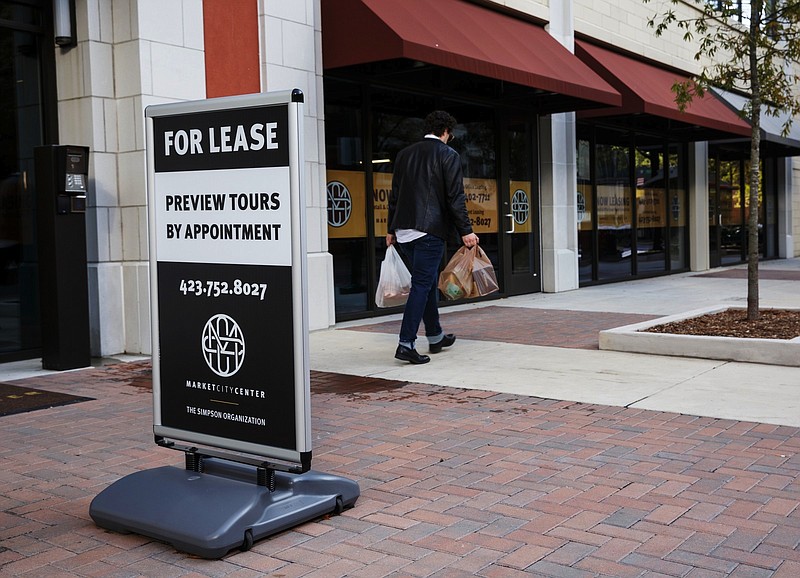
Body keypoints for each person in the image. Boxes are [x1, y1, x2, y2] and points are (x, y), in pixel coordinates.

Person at [386, 111, 479, 364]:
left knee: (424, 284)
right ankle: (406, 344)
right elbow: (455, 197)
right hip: (429, 231)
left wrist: (390, 229)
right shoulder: (448, 154)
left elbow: (395, 195)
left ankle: (436, 336)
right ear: (446, 131)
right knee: (422, 285)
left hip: (404, 232)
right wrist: (466, 230)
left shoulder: (404, 155)